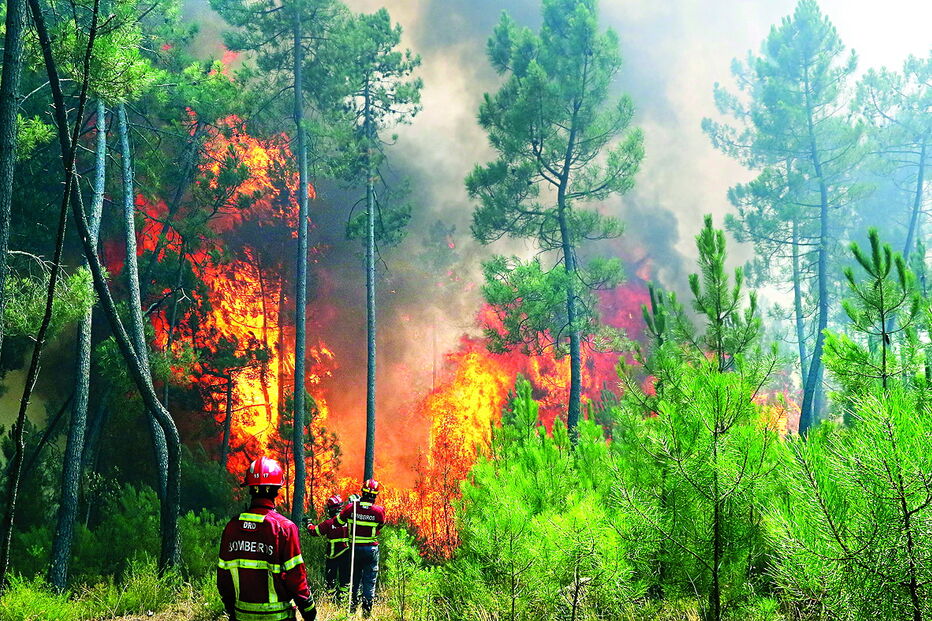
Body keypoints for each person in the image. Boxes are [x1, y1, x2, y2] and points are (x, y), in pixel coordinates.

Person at [217, 456, 317, 621]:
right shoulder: (285, 528)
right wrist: (309, 611)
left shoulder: (232, 527)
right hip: (278, 617)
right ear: (277, 490)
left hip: (242, 616)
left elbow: (223, 577)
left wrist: (231, 610)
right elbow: (296, 578)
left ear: (249, 488)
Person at [337, 479, 385, 618]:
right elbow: (380, 526)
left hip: (354, 549)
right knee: (369, 581)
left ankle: (352, 609)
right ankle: (366, 613)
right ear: (375, 495)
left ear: (362, 492)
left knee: (354, 580)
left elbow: (339, 521)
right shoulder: (379, 511)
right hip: (371, 550)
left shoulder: (351, 508)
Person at [305, 495, 350, 599]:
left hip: (332, 556)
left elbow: (314, 531)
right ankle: (343, 599)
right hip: (347, 554)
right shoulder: (348, 521)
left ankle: (330, 598)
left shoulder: (329, 523)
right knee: (345, 578)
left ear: (330, 509)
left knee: (330, 579)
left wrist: (308, 523)